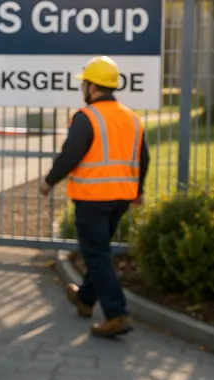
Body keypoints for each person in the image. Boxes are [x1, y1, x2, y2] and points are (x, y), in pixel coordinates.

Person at [37, 56, 150, 339]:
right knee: (98, 250)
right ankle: (85, 300)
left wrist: (49, 181)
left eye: (84, 83)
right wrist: (138, 190)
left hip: (93, 198)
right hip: (121, 198)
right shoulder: (131, 117)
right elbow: (144, 157)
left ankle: (117, 313)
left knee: (96, 253)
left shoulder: (86, 117)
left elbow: (70, 155)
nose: (82, 88)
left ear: (92, 87)